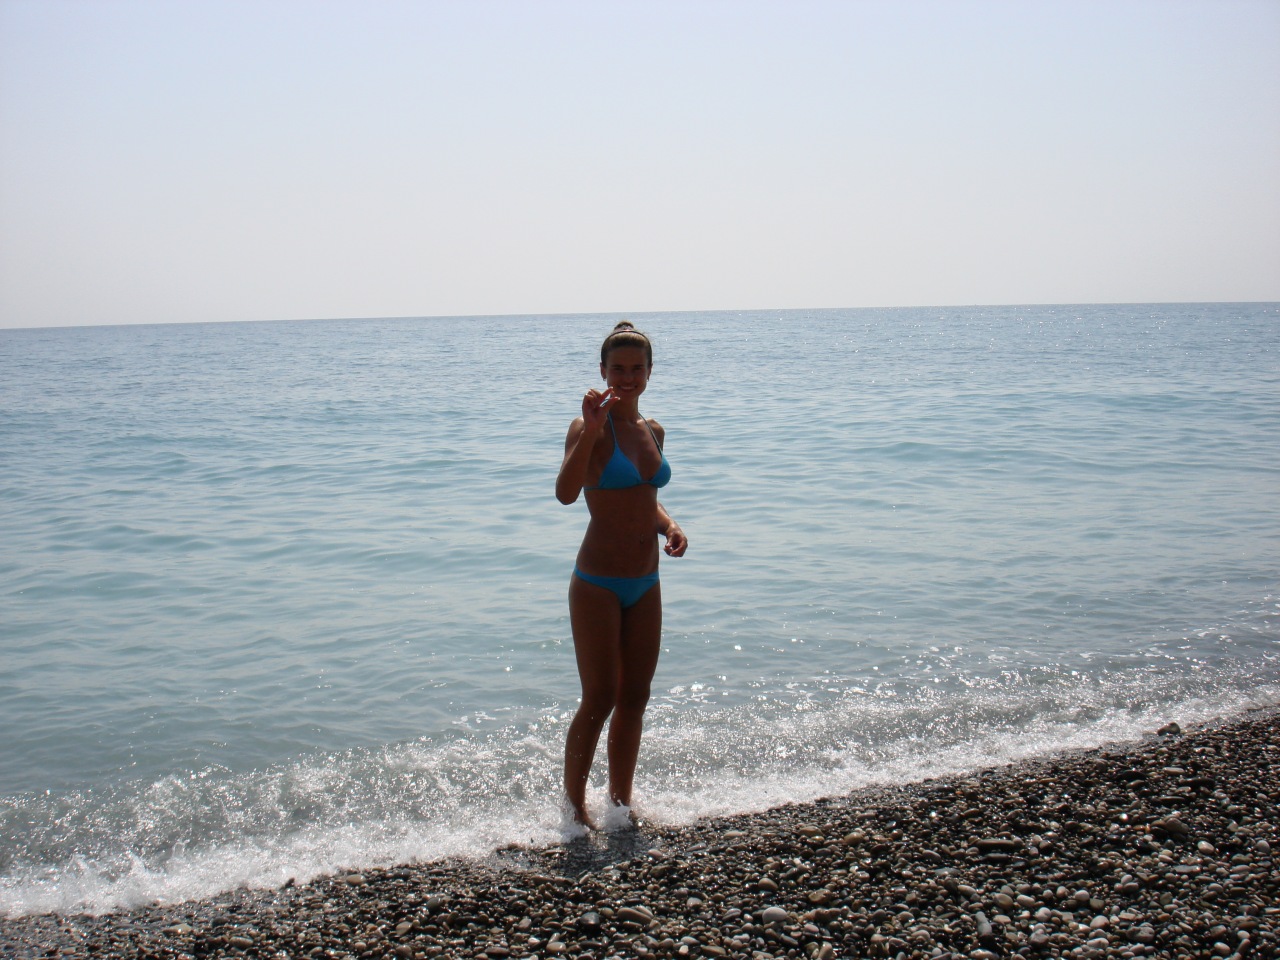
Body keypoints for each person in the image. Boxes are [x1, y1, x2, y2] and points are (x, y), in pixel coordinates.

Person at [555, 320, 688, 829]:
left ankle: (620, 806)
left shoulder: (653, 430)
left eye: (636, 368)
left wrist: (669, 525)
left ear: (650, 372)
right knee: (599, 698)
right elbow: (566, 493)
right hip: (597, 583)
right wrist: (591, 431)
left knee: (635, 697)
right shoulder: (587, 426)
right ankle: (574, 812)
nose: (627, 377)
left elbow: (644, 501)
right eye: (618, 368)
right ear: (603, 371)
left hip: (646, 581)